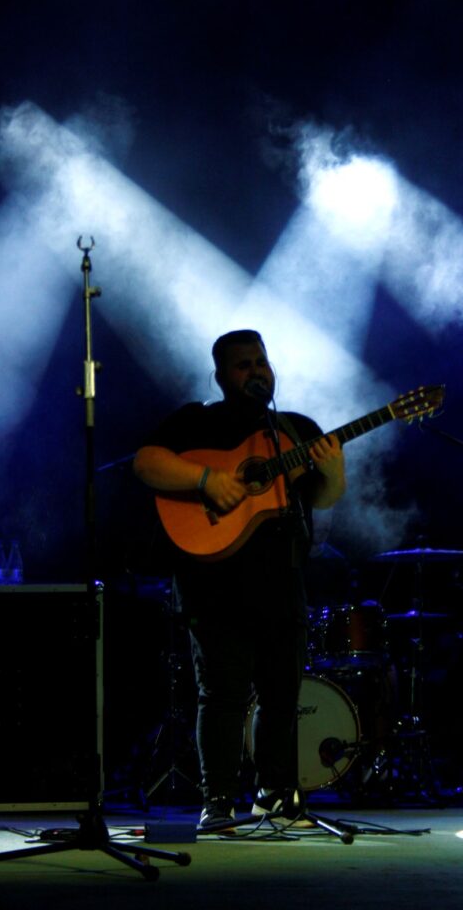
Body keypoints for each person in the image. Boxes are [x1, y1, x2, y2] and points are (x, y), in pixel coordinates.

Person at [133, 329, 346, 829]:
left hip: (282, 580)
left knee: (281, 696)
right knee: (222, 695)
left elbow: (323, 497)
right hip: (213, 583)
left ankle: (275, 794)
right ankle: (219, 801)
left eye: (262, 362)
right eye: (242, 364)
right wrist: (207, 479)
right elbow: (146, 463)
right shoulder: (196, 420)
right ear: (221, 375)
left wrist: (334, 470)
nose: (256, 371)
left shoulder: (292, 429)